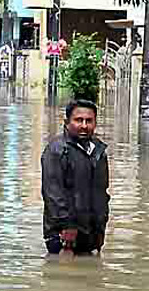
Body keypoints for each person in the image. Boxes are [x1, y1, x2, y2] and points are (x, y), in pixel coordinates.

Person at [40, 98, 110, 256]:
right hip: (64, 236)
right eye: (79, 120)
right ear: (67, 122)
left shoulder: (98, 152)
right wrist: (66, 225)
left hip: (92, 233)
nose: (84, 125)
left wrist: (101, 224)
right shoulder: (56, 151)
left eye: (89, 121)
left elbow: (102, 192)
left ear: (95, 123)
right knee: (65, 278)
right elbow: (53, 194)